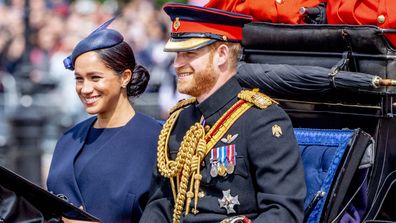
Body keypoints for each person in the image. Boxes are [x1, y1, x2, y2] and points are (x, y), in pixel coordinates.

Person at [139, 3, 306, 223]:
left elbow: (283, 212)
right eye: (177, 54)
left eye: (189, 53)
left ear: (222, 54)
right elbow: (160, 203)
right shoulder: (179, 120)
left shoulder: (262, 119)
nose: (178, 64)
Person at [46, 17, 162, 223]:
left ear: (125, 77)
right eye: (79, 78)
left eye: (95, 77)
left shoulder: (155, 140)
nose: (85, 88)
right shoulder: (69, 139)